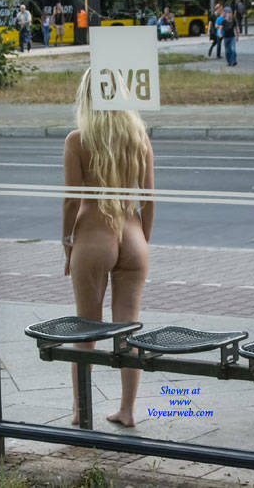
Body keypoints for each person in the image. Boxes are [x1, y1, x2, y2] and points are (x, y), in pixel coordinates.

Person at [62, 69, 155, 428]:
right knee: (127, 327)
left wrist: (66, 240)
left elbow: (71, 201)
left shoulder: (78, 140)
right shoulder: (138, 137)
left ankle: (80, 410)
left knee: (86, 327)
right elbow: (148, 199)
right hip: (132, 233)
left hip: (93, 235)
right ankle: (127, 410)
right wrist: (143, 238)